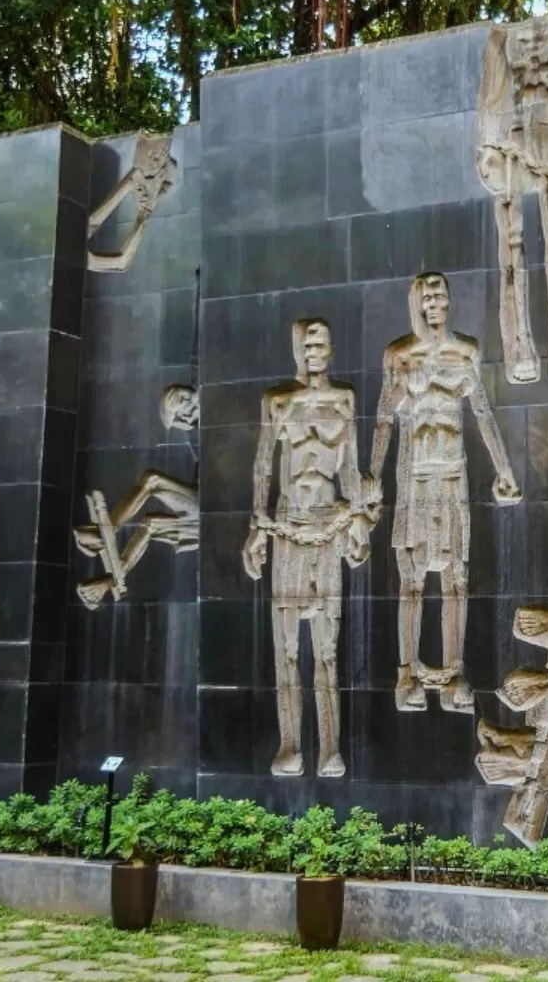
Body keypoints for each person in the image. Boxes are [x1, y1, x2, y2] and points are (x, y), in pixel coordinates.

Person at [370, 272, 522, 712]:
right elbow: (383, 417)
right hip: (416, 476)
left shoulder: (465, 351)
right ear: (415, 301)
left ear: (449, 300)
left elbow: (482, 412)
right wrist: (372, 476)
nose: (434, 299)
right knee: (412, 580)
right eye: (427, 293)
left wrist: (504, 468)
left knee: (456, 578)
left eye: (441, 292)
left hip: (452, 475)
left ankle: (455, 671)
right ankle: (406, 674)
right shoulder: (400, 354)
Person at [245, 320, 375, 777]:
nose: (313, 351)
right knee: (287, 648)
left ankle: (331, 749)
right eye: (306, 344)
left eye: (320, 342)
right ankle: (289, 744)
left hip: (328, 525)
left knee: (326, 649)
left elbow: (353, 469)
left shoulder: (344, 401)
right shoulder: (279, 400)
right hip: (288, 528)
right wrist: (256, 526)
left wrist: (359, 522)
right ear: (296, 349)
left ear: (331, 348)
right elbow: (263, 465)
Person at [476, 15, 548, 383]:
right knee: (511, 240)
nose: (532, 45)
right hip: (511, 144)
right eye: (524, 41)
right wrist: (489, 146)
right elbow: (492, 95)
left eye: (537, 40)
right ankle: (520, 341)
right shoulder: (498, 48)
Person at [74, 384, 200, 607]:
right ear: (184, 418)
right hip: (207, 507)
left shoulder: (211, 423)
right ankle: (113, 579)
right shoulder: (200, 434)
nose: (189, 399)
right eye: (180, 400)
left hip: (214, 506)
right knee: (150, 522)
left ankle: (108, 530)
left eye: (183, 395)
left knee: (152, 480)